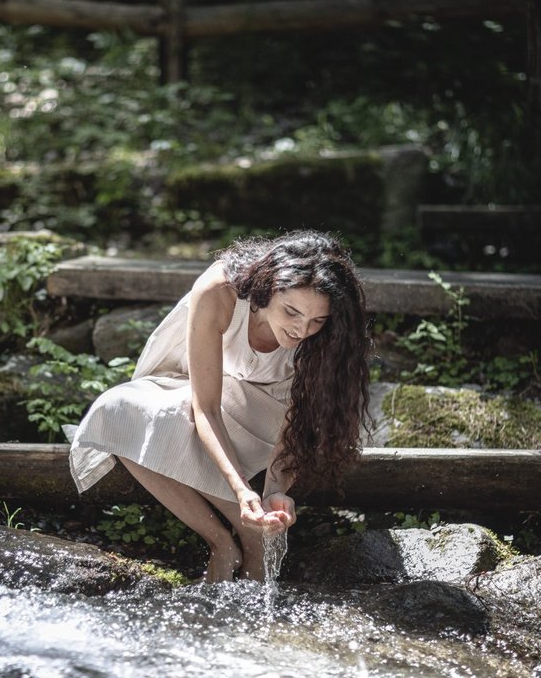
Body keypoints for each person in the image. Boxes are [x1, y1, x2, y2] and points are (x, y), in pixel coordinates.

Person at [67, 230, 371, 582]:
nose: (302, 329)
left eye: (317, 320)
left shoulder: (328, 335)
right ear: (267, 288)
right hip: (200, 392)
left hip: (274, 412)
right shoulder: (219, 292)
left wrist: (274, 490)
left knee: (189, 416)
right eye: (292, 312)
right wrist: (241, 490)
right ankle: (221, 541)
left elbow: (300, 418)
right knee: (118, 411)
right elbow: (206, 408)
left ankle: (258, 540)